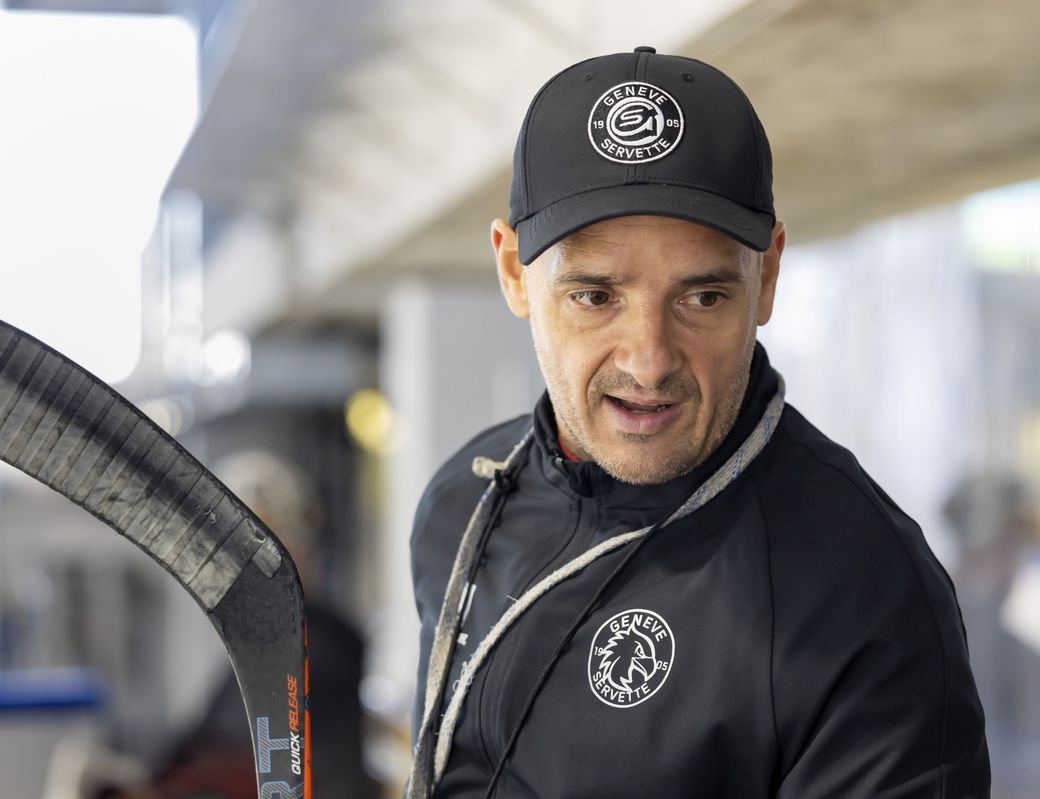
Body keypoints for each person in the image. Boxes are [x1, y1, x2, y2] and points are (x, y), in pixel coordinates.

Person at [406, 48, 990, 798]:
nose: (649, 362)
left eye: (703, 297)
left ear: (767, 276)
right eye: (595, 296)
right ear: (515, 271)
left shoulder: (865, 593)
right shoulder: (462, 503)